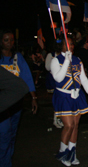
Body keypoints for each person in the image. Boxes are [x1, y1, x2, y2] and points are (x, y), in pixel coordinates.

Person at [51, 37, 88, 166]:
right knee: (68, 126)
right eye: (68, 43)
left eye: (72, 43)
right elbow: (58, 78)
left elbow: (83, 79)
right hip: (63, 96)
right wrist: (66, 61)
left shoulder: (77, 60)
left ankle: (72, 153)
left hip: (77, 96)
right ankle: (63, 153)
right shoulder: (56, 60)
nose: (71, 45)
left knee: (75, 126)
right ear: (61, 46)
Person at [0, 29, 38, 167]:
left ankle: (6, 160)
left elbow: (27, 77)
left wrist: (34, 97)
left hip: (16, 103)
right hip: (2, 104)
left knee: (11, 134)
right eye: (6, 40)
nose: (10, 42)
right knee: (4, 134)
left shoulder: (17, 58)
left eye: (11, 40)